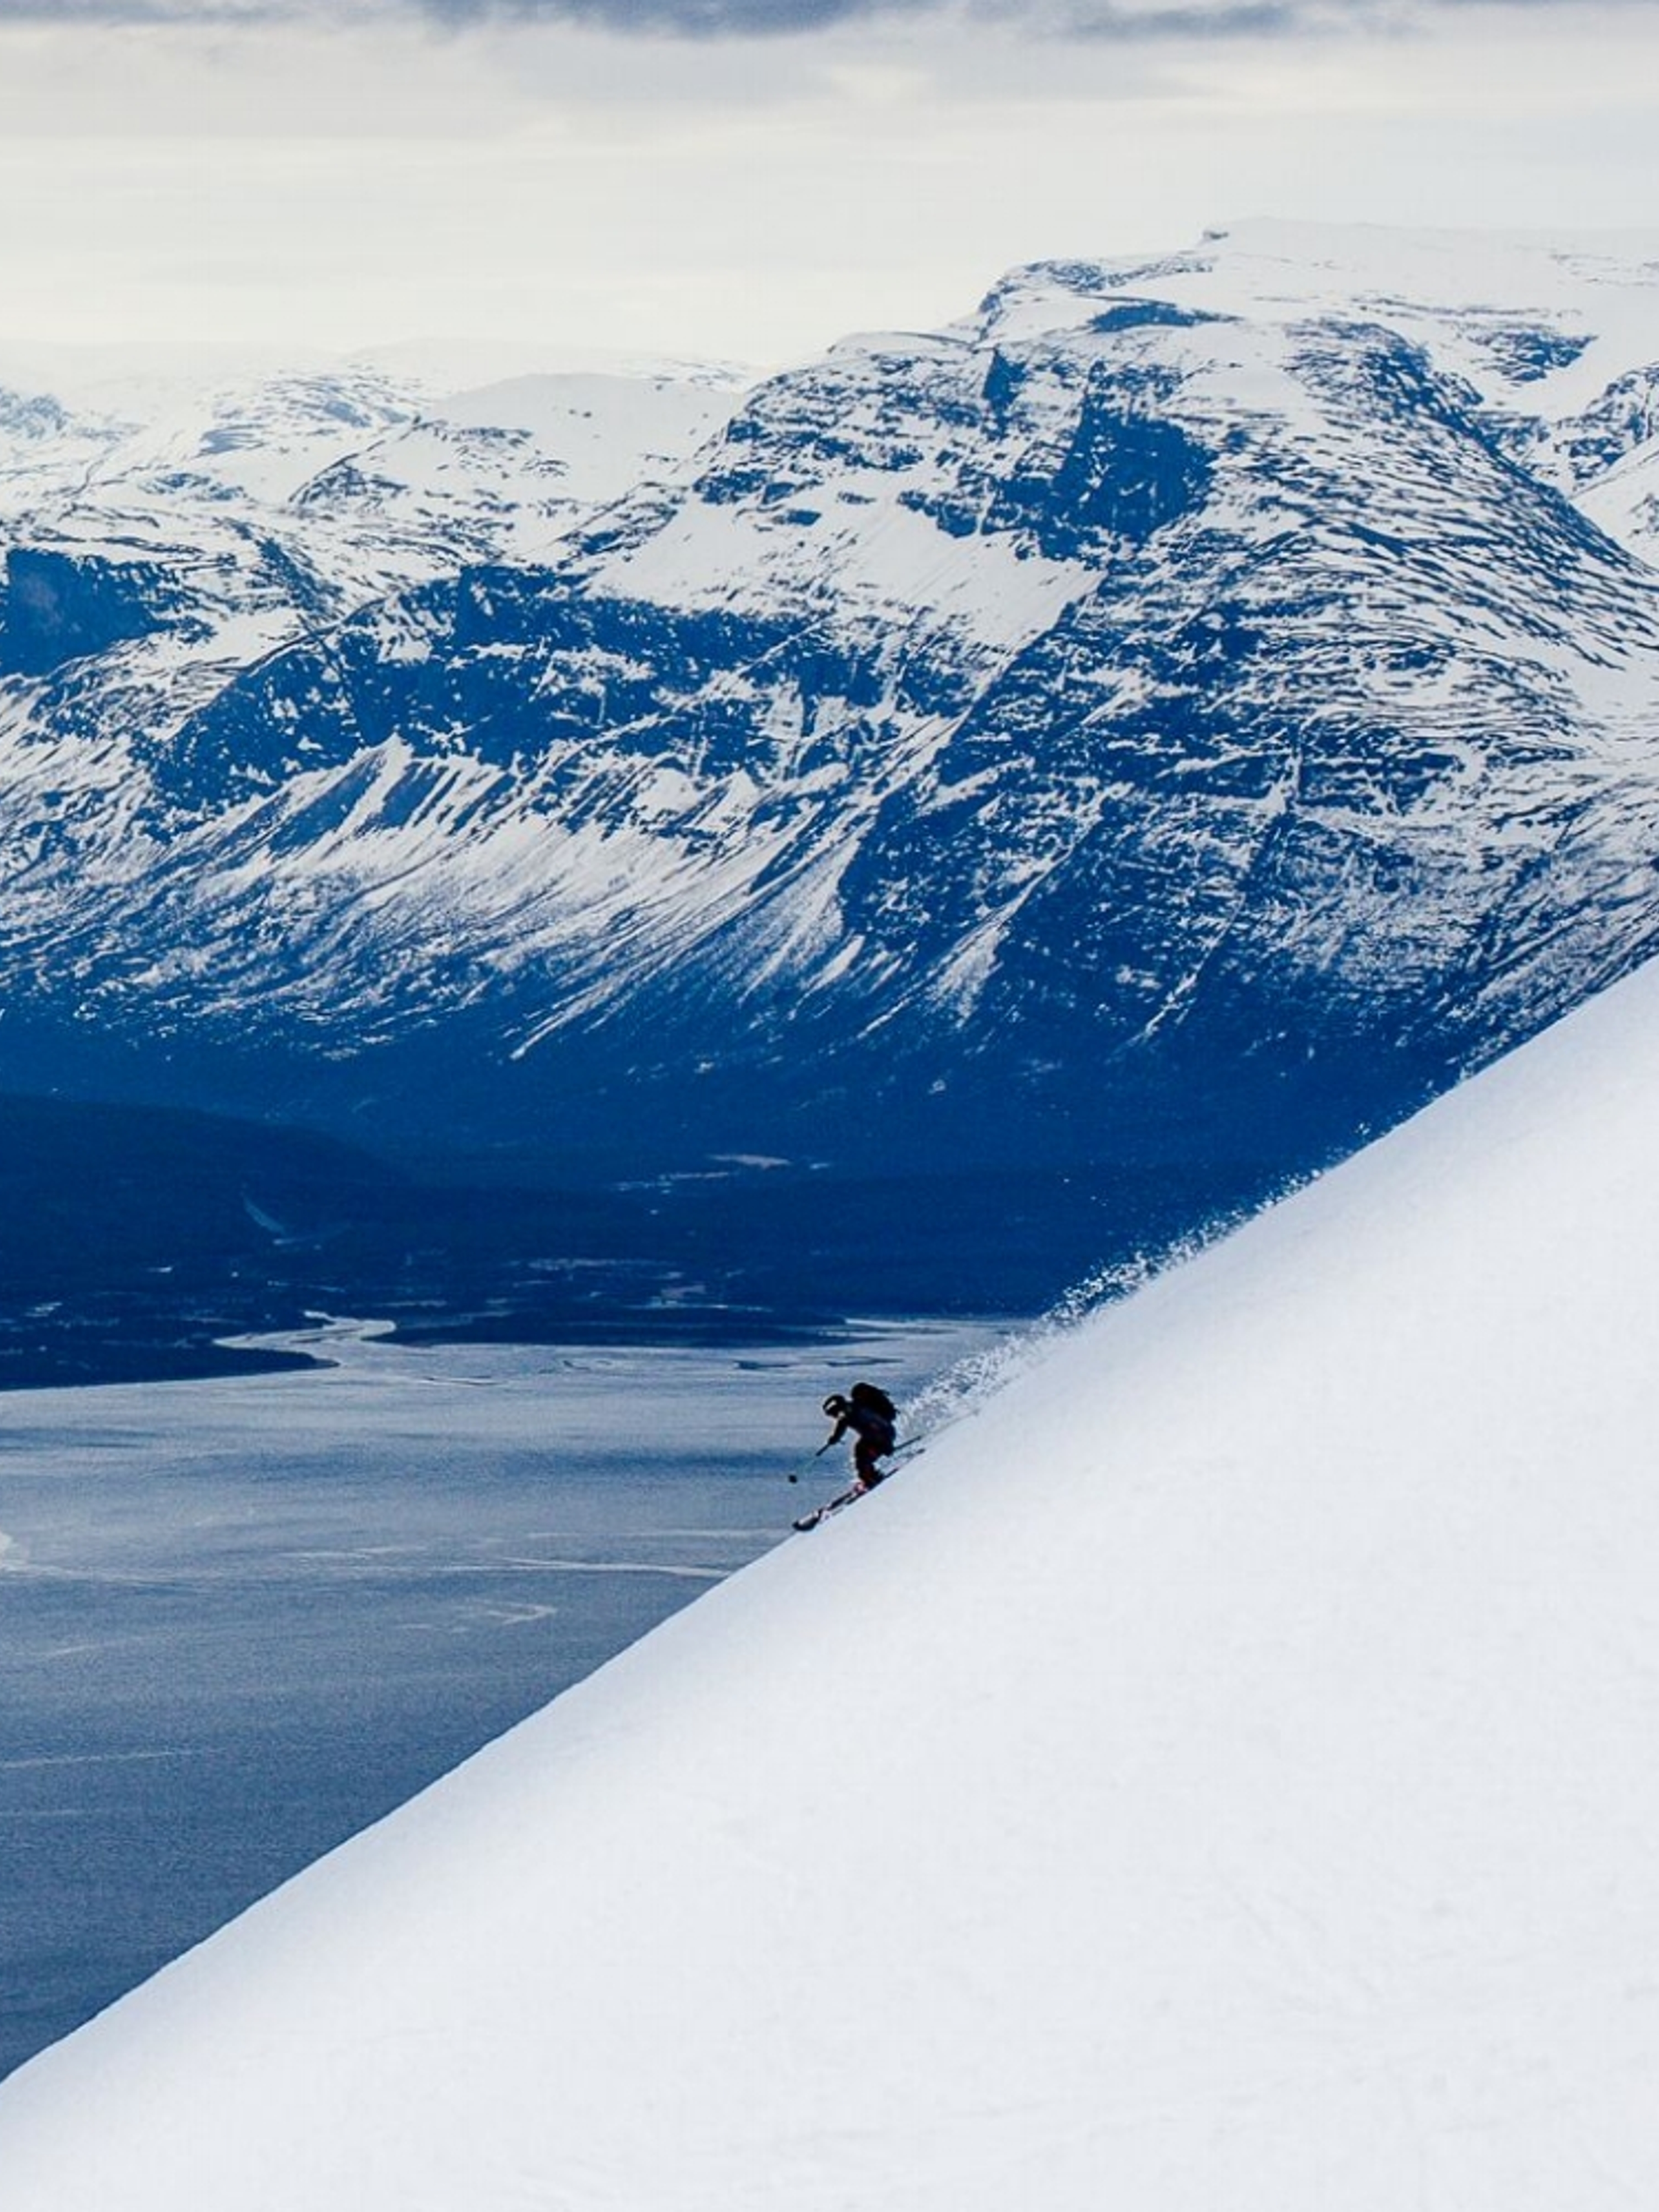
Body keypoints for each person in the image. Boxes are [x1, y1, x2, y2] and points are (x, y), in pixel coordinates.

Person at [822, 1382, 898, 1495]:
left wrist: (887, 1445)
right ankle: (871, 1477)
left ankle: (870, 1480)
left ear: (840, 1408)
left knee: (863, 1458)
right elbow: (841, 1428)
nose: (835, 1417)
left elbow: (879, 1425)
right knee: (861, 1453)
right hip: (874, 1438)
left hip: (883, 1437)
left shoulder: (860, 1412)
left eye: (834, 1413)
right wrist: (834, 1439)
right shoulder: (847, 1415)